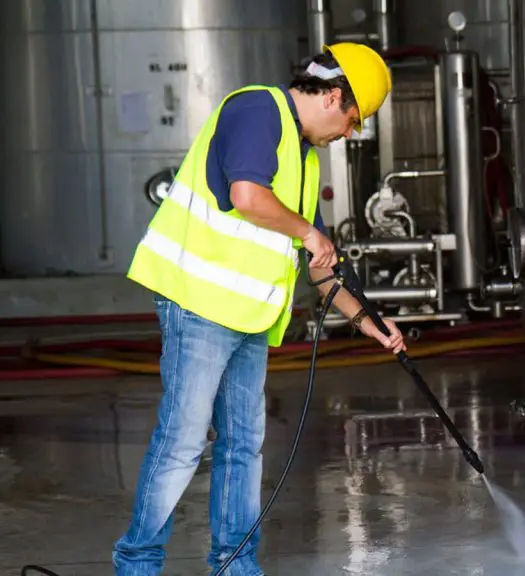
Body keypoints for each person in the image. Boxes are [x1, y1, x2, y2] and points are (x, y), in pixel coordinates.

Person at [112, 43, 405, 576]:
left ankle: (235, 563)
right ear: (334, 97)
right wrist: (309, 231)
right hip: (198, 304)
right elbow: (248, 195)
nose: (347, 135)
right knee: (182, 441)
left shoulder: (305, 160)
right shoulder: (255, 110)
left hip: (249, 318)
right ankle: (137, 564)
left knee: (244, 446)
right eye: (352, 122)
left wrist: (369, 322)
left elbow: (319, 266)